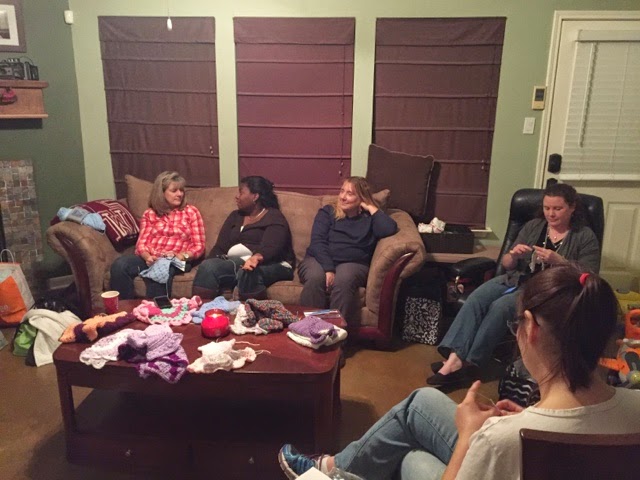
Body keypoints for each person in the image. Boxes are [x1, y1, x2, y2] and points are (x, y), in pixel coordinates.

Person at [278, 264, 640, 480]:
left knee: (410, 459)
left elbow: (503, 444)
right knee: (420, 404)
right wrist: (530, 415)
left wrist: (469, 434)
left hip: (504, 452)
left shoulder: (501, 439)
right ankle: (333, 467)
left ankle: (330, 472)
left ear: (530, 328)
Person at [427, 183, 601, 387]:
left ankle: (471, 362)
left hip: (546, 289)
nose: (551, 214)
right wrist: (513, 255)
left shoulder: (584, 236)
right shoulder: (534, 226)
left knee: (501, 307)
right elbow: (507, 264)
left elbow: (589, 275)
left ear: (572, 208)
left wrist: (559, 261)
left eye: (557, 208)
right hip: (515, 278)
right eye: (547, 208)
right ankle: (455, 358)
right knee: (476, 298)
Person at [299, 176, 397, 324]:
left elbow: (389, 229)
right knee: (315, 277)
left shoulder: (370, 218)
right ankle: (308, 328)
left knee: (343, 279)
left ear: (362, 199)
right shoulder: (328, 212)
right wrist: (328, 268)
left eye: (350, 194)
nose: (343, 197)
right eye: (342, 191)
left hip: (354, 264)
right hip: (318, 259)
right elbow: (317, 242)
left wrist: (370, 207)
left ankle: (334, 332)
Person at [192, 176, 295, 300]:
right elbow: (220, 246)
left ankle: (252, 310)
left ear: (255, 196)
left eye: (241, 193)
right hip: (239, 262)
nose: (237, 196)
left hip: (274, 264)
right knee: (208, 267)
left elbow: (272, 246)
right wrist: (207, 263)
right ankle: (203, 309)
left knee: (248, 272)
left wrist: (256, 257)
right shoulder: (235, 216)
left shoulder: (274, 216)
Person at [110, 171, 205, 299]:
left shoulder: (191, 212)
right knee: (120, 265)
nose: (180, 194)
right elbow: (141, 244)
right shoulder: (150, 214)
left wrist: (182, 256)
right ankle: (125, 307)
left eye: (181, 190)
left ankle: (156, 309)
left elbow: (199, 246)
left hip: (176, 260)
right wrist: (147, 257)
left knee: (162, 269)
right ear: (161, 192)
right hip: (151, 258)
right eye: (174, 190)